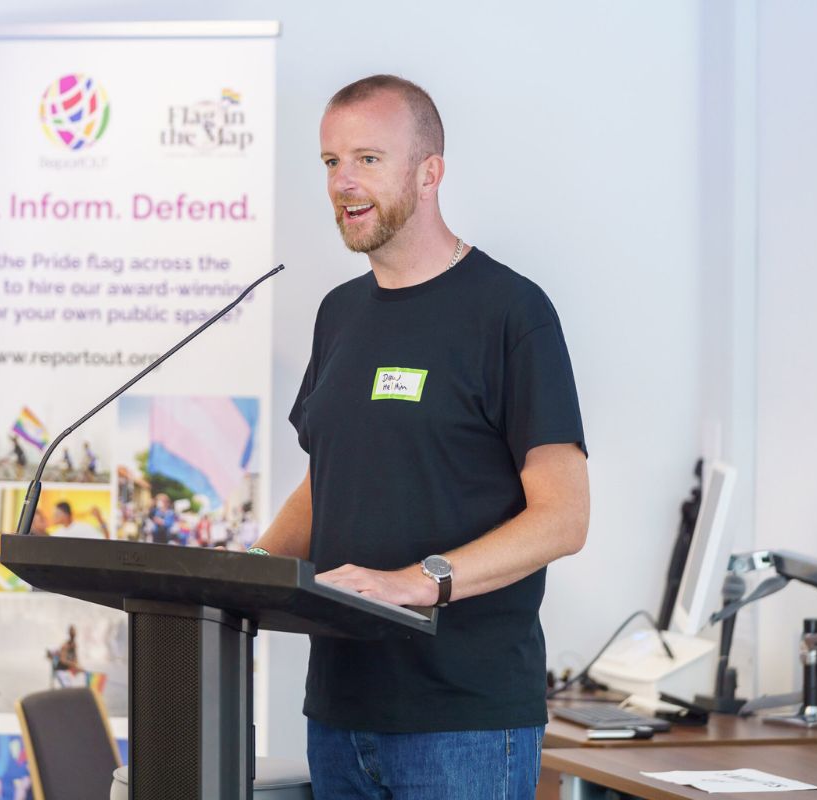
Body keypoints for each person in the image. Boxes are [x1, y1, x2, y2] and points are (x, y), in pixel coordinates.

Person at [251, 75, 589, 799]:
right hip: (340, 714)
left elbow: (563, 517)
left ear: (430, 172)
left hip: (463, 724)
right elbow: (330, 479)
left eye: (368, 159)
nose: (343, 181)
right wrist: (236, 577)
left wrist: (417, 582)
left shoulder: (511, 313)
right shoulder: (339, 314)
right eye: (330, 162)